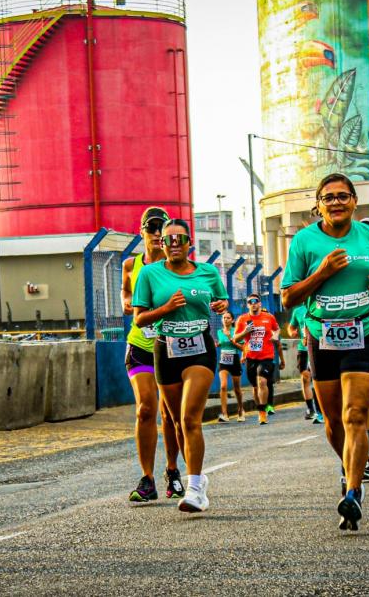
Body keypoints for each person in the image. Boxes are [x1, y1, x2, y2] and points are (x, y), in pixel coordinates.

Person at [281, 173, 369, 531]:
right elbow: (288, 297)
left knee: (355, 415)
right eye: (328, 197)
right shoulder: (304, 241)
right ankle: (351, 468)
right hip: (323, 335)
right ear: (318, 204)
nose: (336, 202)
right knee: (333, 422)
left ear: (353, 201)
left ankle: (353, 491)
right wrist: (321, 273)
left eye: (343, 196)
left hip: (364, 330)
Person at [132, 219, 229, 513]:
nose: (175, 244)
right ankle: (196, 479)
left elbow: (222, 302)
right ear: (162, 245)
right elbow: (139, 318)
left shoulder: (208, 273)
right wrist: (165, 309)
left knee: (190, 419)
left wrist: (223, 307)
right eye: (168, 240)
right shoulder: (149, 274)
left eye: (180, 239)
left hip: (200, 347)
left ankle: (196, 488)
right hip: (166, 349)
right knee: (175, 423)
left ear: (190, 244)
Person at [121, 207, 186, 502]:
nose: (158, 234)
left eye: (163, 228)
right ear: (142, 231)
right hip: (140, 345)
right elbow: (125, 294)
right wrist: (128, 302)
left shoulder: (179, 266)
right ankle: (147, 478)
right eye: (152, 228)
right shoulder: (130, 265)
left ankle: (172, 471)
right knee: (145, 409)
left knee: (170, 414)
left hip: (171, 344)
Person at [235, 294, 285, 424]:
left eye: (255, 301)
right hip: (251, 357)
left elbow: (277, 329)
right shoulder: (242, 319)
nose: (253, 304)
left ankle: (263, 412)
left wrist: (276, 335)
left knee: (262, 381)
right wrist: (246, 332)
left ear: (260, 303)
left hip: (266, 356)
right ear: (247, 305)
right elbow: (236, 339)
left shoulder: (269, 318)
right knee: (256, 387)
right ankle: (260, 409)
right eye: (250, 302)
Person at [289, 302, 323, 423]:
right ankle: (310, 409)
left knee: (317, 379)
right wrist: (292, 332)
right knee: (305, 378)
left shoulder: (320, 305)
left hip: (319, 346)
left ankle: (321, 412)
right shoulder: (298, 311)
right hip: (303, 348)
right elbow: (291, 327)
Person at [216, 311, 245, 422]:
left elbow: (242, 348)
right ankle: (225, 414)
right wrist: (218, 344)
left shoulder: (235, 331)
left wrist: (230, 338)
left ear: (232, 320)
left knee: (236, 388)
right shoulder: (219, 332)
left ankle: (241, 409)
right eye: (224, 317)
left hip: (234, 360)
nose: (225, 319)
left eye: (228, 318)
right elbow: (220, 342)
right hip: (223, 361)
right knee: (223, 386)